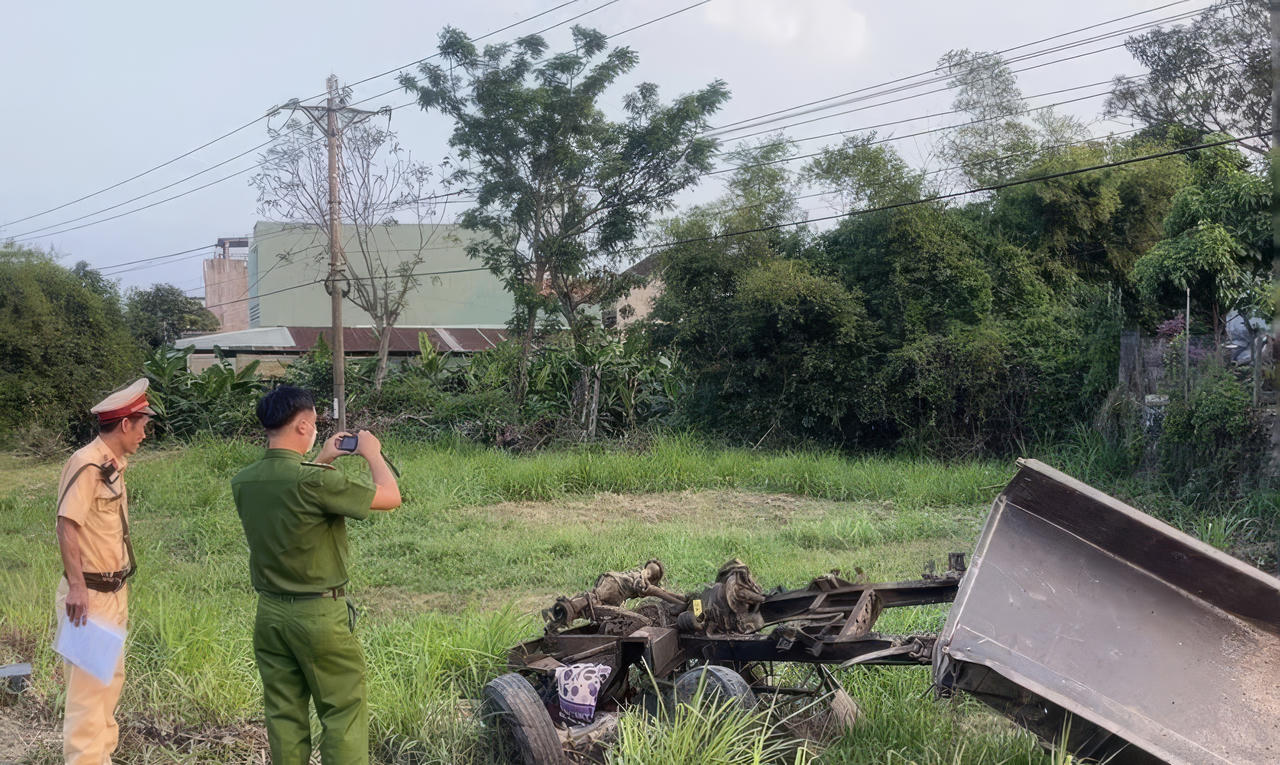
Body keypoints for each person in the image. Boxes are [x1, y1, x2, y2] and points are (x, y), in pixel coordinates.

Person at [231, 386, 401, 764]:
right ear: (304, 425)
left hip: (271, 614)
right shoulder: (315, 481)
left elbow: (295, 494)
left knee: (284, 714)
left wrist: (324, 458)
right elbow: (390, 497)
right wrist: (372, 454)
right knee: (343, 710)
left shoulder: (244, 480)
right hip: (320, 616)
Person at [55, 378, 154, 764]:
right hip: (90, 597)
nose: (146, 433)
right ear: (125, 424)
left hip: (113, 592)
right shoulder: (86, 463)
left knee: (109, 685)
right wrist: (77, 587)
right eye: (143, 424)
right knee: (86, 696)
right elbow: (66, 525)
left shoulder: (111, 464)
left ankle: (102, 758)